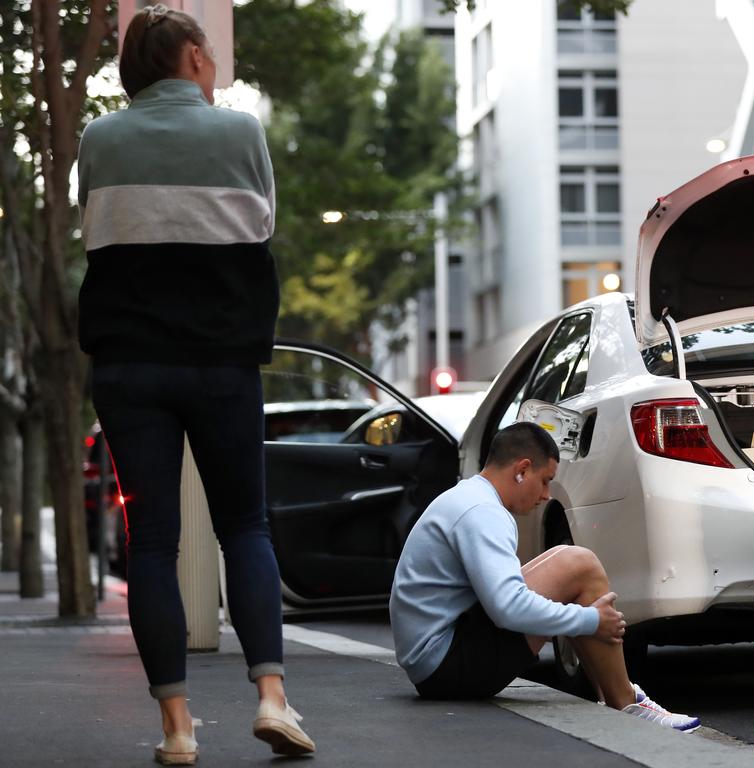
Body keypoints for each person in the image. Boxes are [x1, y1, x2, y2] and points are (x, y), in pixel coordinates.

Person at [76, 5, 313, 764]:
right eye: (205, 54)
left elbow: (95, 232)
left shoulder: (98, 138)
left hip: (128, 364)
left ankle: (177, 729)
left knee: (151, 541)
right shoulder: (239, 131)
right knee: (243, 525)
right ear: (188, 58)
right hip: (221, 360)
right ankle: (272, 698)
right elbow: (262, 223)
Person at [389, 422, 701, 731]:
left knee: (570, 560)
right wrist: (591, 620)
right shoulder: (483, 513)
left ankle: (618, 698)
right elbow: (507, 608)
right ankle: (626, 701)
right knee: (581, 566)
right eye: (545, 480)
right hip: (447, 668)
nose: (546, 494)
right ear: (522, 469)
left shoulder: (471, 497)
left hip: (437, 661)